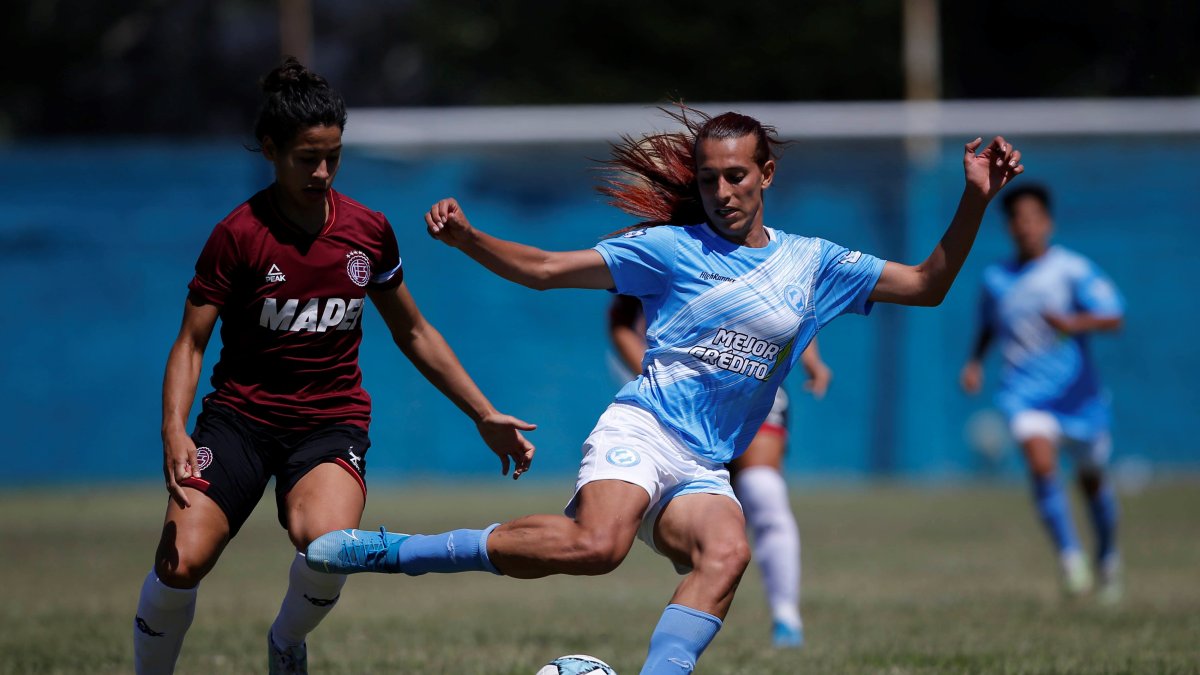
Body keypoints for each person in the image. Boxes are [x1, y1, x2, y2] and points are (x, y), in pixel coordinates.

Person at [308, 107, 1024, 674]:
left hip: (703, 464)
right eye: (710, 179)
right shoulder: (669, 249)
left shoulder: (814, 263)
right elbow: (548, 269)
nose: (723, 192)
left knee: (726, 552)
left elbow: (928, 285)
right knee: (598, 545)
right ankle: (396, 550)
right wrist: (471, 239)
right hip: (643, 431)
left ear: (766, 173)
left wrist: (974, 198)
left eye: (738, 176)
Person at [132, 58, 535, 675]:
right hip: (239, 420)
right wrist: (174, 430)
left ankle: (286, 644)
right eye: (306, 158)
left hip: (328, 423)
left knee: (328, 548)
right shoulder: (238, 235)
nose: (322, 172)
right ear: (271, 150)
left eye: (334, 157)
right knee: (181, 563)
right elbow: (190, 342)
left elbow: (414, 331)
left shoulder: (367, 232)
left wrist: (483, 414)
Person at [609, 293, 830, 648]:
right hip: (680, 403)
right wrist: (660, 381)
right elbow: (621, 321)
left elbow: (796, 298)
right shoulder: (667, 242)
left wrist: (813, 358)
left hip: (751, 392)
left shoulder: (763, 244)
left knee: (764, 493)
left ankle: (787, 618)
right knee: (683, 526)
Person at [959, 183, 1124, 604]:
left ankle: (1107, 557)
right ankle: (1071, 557)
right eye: (1017, 219)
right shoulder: (996, 278)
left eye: (1033, 218)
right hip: (1024, 394)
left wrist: (1074, 323)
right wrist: (975, 362)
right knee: (1040, 463)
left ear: (1047, 223)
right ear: (1009, 226)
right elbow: (988, 326)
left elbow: (1113, 316)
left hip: (1079, 398)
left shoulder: (1072, 270)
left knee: (1092, 484)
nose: (1025, 227)